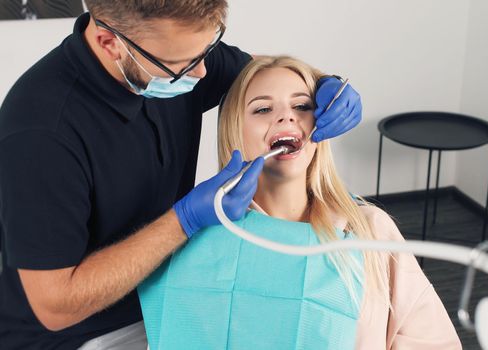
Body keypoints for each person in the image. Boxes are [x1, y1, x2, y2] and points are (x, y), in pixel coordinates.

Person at [0, 2, 363, 349]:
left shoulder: (176, 52)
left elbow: (262, 76)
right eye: (180, 65)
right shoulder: (41, 133)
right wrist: (184, 220)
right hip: (80, 334)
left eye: (207, 51)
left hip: (161, 293)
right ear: (110, 42)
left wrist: (323, 84)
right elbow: (56, 308)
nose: (203, 73)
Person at [138, 56, 462, 349]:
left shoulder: (368, 230)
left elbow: (432, 341)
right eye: (264, 109)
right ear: (234, 131)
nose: (286, 118)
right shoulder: (195, 241)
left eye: (302, 107)